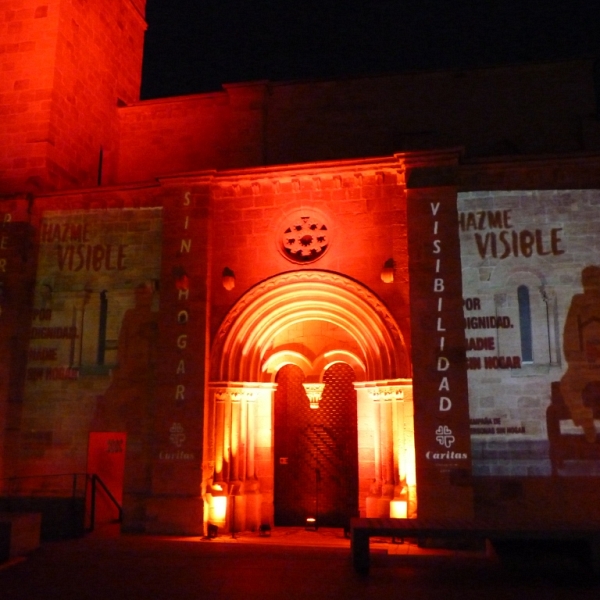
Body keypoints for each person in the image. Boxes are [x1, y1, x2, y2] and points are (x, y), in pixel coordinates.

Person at [560, 266, 600, 443]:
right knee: (567, 385)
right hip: (583, 365)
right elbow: (570, 333)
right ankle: (585, 420)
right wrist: (576, 360)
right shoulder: (578, 303)